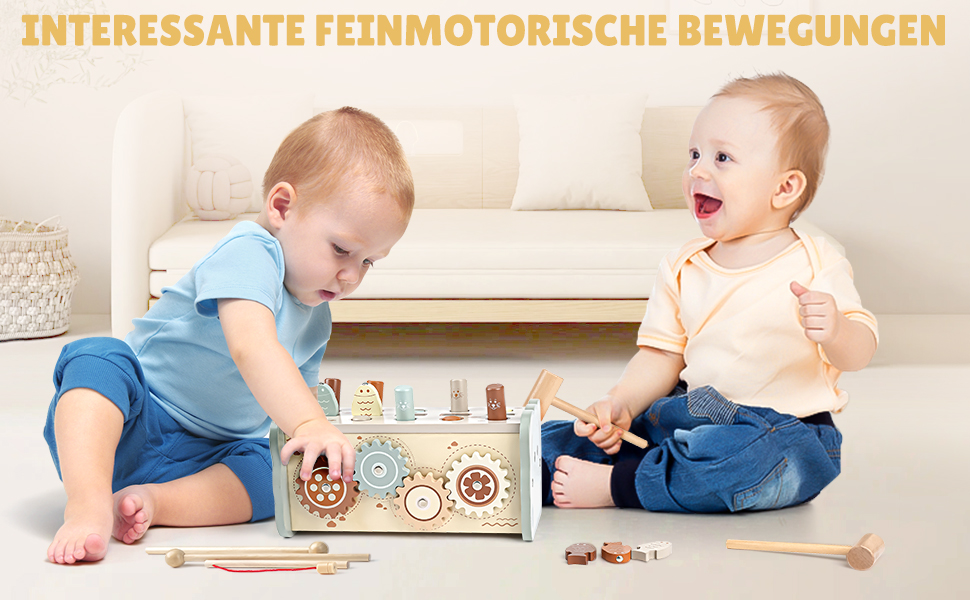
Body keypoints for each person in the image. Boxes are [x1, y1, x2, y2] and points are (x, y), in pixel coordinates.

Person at [44, 107, 414, 563]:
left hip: (204, 456)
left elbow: (299, 398)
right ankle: (87, 501)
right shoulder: (250, 252)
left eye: (368, 262)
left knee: (274, 472)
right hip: (131, 423)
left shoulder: (317, 317)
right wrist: (309, 424)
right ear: (282, 207)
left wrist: (320, 444)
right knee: (99, 358)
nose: (351, 276)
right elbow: (252, 345)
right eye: (341, 249)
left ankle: (156, 503)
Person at [543, 73, 878, 513]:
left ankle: (618, 486)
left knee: (738, 458)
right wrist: (620, 403)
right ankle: (529, 467)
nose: (697, 170)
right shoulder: (684, 266)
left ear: (784, 188)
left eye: (722, 158)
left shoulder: (817, 262)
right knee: (574, 433)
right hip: (692, 415)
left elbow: (860, 351)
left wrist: (835, 330)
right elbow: (662, 357)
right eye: (694, 155)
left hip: (785, 434)